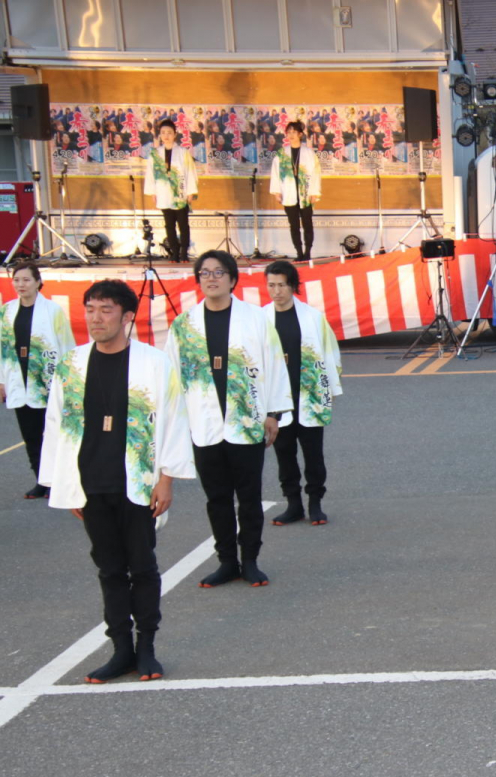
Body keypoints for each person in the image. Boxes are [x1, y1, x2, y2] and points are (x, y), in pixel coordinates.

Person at [40, 280, 194, 683]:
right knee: (109, 569)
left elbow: (173, 419)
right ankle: (120, 649)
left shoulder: (154, 363)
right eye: (90, 308)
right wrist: (63, 484)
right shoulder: (71, 365)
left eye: (105, 310)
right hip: (90, 482)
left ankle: (146, 648)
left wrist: (166, 479)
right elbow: (55, 426)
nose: (95, 317)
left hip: (138, 481)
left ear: (128, 317)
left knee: (142, 567)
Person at [165, 250, 292, 589]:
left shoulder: (255, 319)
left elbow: (274, 366)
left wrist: (273, 413)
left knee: (248, 497)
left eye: (219, 272)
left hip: (246, 421)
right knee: (217, 498)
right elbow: (172, 378)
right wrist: (176, 424)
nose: (211, 278)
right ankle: (226, 562)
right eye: (204, 272)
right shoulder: (184, 325)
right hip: (203, 426)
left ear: (233, 279)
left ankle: (250, 560)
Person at [261, 261, 342, 526]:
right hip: (276, 399)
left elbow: (329, 352)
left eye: (282, 285)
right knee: (284, 454)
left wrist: (329, 389)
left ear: (293, 285)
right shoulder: (260, 319)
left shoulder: (312, 317)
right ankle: (293, 504)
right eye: (271, 285)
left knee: (313, 454)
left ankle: (315, 502)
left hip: (309, 394)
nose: (276, 291)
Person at [1, 264, 75, 499]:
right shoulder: (6, 311)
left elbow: (66, 345)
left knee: (55, 432)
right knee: (30, 435)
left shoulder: (52, 310)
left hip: (46, 378)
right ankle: (40, 480)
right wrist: (2, 380)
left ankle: (61, 479)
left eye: (26, 280)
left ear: (37, 282)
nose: (20, 285)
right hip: (17, 377)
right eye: (17, 280)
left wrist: (69, 378)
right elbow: (3, 348)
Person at [142, 119, 198, 263]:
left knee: (183, 224)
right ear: (159, 135)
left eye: (169, 133)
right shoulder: (155, 154)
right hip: (163, 193)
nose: (166, 136)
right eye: (163, 133)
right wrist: (153, 192)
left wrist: (190, 191)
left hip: (180, 192)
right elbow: (150, 174)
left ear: (175, 135)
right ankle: (174, 252)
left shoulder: (183, 152)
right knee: (169, 225)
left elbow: (190, 172)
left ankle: (184, 252)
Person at [270, 121, 322, 261]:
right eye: (289, 132)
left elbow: (316, 173)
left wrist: (314, 192)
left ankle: (308, 252)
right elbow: (275, 173)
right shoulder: (282, 154)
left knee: (307, 224)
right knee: (293, 225)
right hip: (288, 193)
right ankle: (299, 253)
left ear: (300, 134)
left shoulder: (309, 153)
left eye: (294, 132)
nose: (291, 135)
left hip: (306, 193)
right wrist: (277, 191)